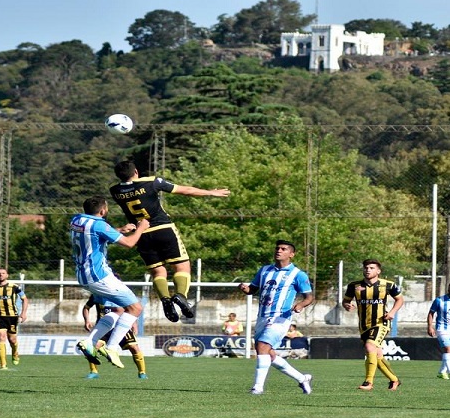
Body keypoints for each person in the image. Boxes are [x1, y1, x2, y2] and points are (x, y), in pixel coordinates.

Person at [109, 160, 230, 323]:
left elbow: (129, 189)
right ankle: (180, 296)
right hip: (163, 229)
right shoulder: (152, 182)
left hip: (141, 234)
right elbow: (185, 190)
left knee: (158, 272)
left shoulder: (115, 190)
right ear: (136, 171)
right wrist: (210, 192)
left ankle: (165, 299)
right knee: (182, 266)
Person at [71, 196, 150, 369]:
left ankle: (89, 342)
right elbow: (129, 243)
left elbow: (95, 235)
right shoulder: (100, 225)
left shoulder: (77, 219)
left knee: (119, 309)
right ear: (103, 211)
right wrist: (141, 228)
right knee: (136, 308)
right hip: (100, 276)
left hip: (83, 276)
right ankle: (112, 347)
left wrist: (120, 230)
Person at [238, 240, 314, 395]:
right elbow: (253, 289)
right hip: (262, 317)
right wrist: (246, 289)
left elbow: (309, 297)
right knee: (268, 353)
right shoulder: (265, 270)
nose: (279, 250)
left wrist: (300, 305)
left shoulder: (298, 274)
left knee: (262, 346)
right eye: (277, 248)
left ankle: (257, 387)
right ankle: (301, 378)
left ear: (291, 254)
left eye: (283, 249)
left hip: (280, 317)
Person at [342, 259, 404, 391]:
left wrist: (392, 312)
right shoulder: (354, 286)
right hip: (364, 325)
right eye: (366, 268)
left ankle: (368, 382)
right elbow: (345, 301)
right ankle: (394, 380)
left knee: (370, 346)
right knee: (377, 355)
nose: (368, 270)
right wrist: (347, 305)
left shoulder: (388, 285)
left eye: (371, 268)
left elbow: (400, 299)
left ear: (378, 271)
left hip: (381, 322)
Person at [82, 295, 147, 379]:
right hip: (104, 327)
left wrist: (134, 324)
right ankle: (94, 372)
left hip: (120, 325)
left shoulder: (120, 294)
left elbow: (131, 310)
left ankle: (142, 373)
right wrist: (87, 320)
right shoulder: (97, 294)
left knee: (134, 347)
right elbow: (86, 307)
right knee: (92, 347)